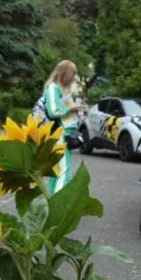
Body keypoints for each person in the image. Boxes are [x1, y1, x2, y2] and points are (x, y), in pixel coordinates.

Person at [42, 60, 82, 194]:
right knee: (64, 171)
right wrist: (71, 109)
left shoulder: (58, 89)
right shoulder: (53, 88)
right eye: (72, 75)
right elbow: (53, 111)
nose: (72, 79)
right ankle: (57, 205)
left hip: (63, 135)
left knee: (57, 171)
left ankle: (51, 202)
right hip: (58, 134)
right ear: (66, 75)